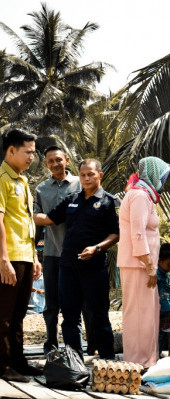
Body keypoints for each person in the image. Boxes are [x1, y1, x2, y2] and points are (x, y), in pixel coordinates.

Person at [34, 159, 119, 361]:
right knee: (69, 318)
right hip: (68, 267)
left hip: (94, 268)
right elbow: (49, 218)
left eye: (91, 174)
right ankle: (75, 361)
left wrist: (97, 248)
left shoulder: (109, 201)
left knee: (99, 315)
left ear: (100, 175)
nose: (86, 178)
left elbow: (116, 234)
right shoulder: (72, 199)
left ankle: (108, 362)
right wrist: (23, 214)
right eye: (83, 175)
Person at [117, 156, 170, 368]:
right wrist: (149, 267)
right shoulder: (139, 195)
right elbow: (137, 234)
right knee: (139, 315)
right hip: (137, 264)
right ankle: (137, 362)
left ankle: (147, 360)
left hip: (142, 263)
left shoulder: (145, 195)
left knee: (147, 314)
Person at [0, 129, 42, 382]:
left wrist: (35, 256)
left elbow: (26, 221)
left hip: (25, 254)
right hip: (9, 256)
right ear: (11, 150)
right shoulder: (1, 178)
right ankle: (3, 366)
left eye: (33, 153)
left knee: (19, 314)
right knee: (3, 314)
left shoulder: (23, 180)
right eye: (27, 152)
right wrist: (3, 259)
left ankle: (18, 361)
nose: (31, 158)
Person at [33, 145, 81, 355]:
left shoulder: (81, 183)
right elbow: (35, 218)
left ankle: (80, 348)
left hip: (78, 254)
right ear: (46, 164)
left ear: (67, 160)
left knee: (79, 304)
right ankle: (50, 343)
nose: (55, 164)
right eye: (50, 161)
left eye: (58, 160)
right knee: (51, 305)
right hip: (52, 253)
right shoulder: (41, 189)